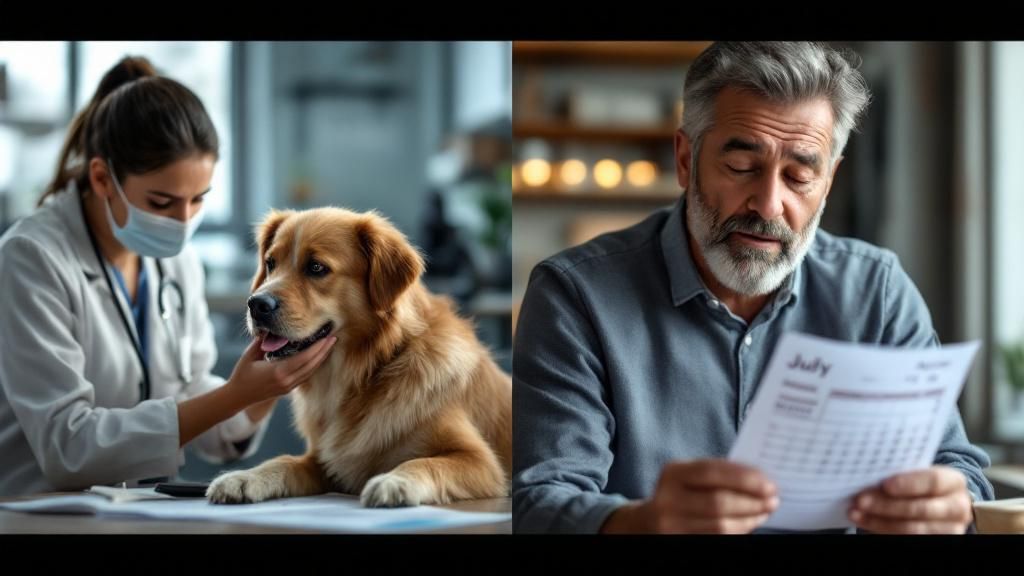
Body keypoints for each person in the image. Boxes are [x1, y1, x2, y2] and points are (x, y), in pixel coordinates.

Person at [512, 42, 993, 534]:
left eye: (801, 175)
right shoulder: (575, 296)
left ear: (829, 181)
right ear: (685, 159)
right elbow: (542, 502)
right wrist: (643, 521)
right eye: (741, 168)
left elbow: (959, 468)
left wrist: (951, 501)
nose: (768, 204)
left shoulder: (878, 292)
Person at [0, 56, 335, 497]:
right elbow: (69, 447)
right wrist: (234, 395)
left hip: (137, 512)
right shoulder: (32, 257)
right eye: (162, 203)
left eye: (198, 200)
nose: (182, 221)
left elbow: (206, 418)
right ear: (102, 178)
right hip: (35, 512)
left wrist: (271, 382)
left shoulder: (175, 262)